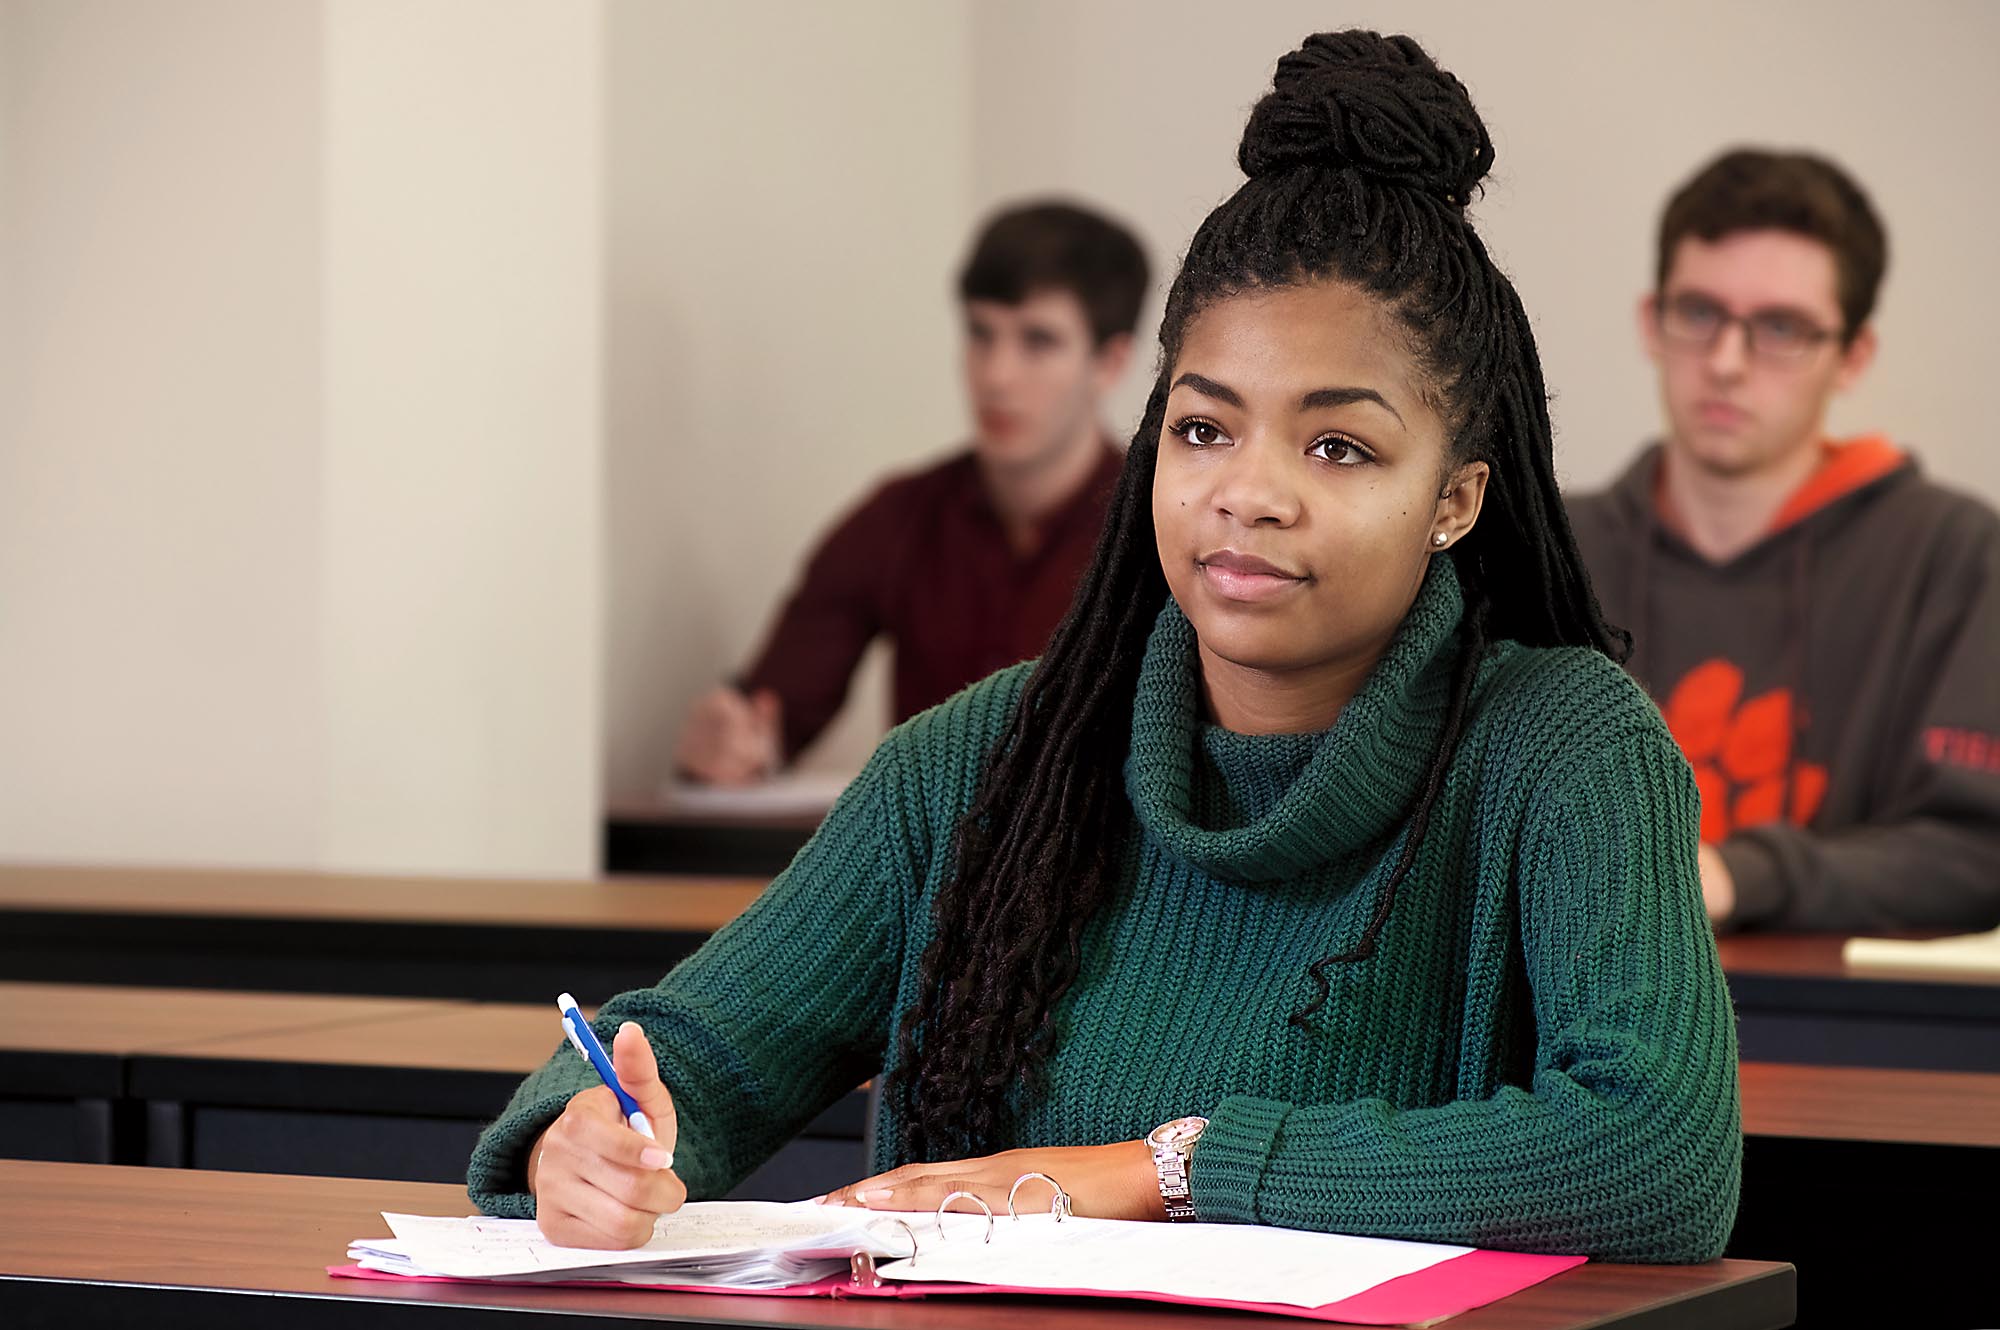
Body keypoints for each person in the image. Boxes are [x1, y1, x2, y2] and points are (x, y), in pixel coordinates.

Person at [474, 31, 1739, 1263]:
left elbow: (1655, 1154)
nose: (1248, 492)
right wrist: (583, 1144)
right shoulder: (978, 763)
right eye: (1203, 431)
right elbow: (703, 1044)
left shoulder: (1563, 745)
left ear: (1455, 499)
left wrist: (1159, 1171)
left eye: (1336, 447)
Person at [1567, 149, 2000, 934]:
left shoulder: (1957, 558)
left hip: (1842, 1040)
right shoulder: (1552, 551)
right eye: (1698, 313)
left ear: (1853, 357)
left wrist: (1738, 878)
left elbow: (1979, 853)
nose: (1727, 363)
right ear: (1650, 323)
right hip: (1566, 1025)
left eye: (1781, 328)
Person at [673, 201, 1149, 784]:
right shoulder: (899, 518)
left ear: (1110, 362)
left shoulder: (1159, 528)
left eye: (1038, 341)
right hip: (926, 865)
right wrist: (730, 744)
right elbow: (771, 716)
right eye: (980, 334)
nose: (996, 375)